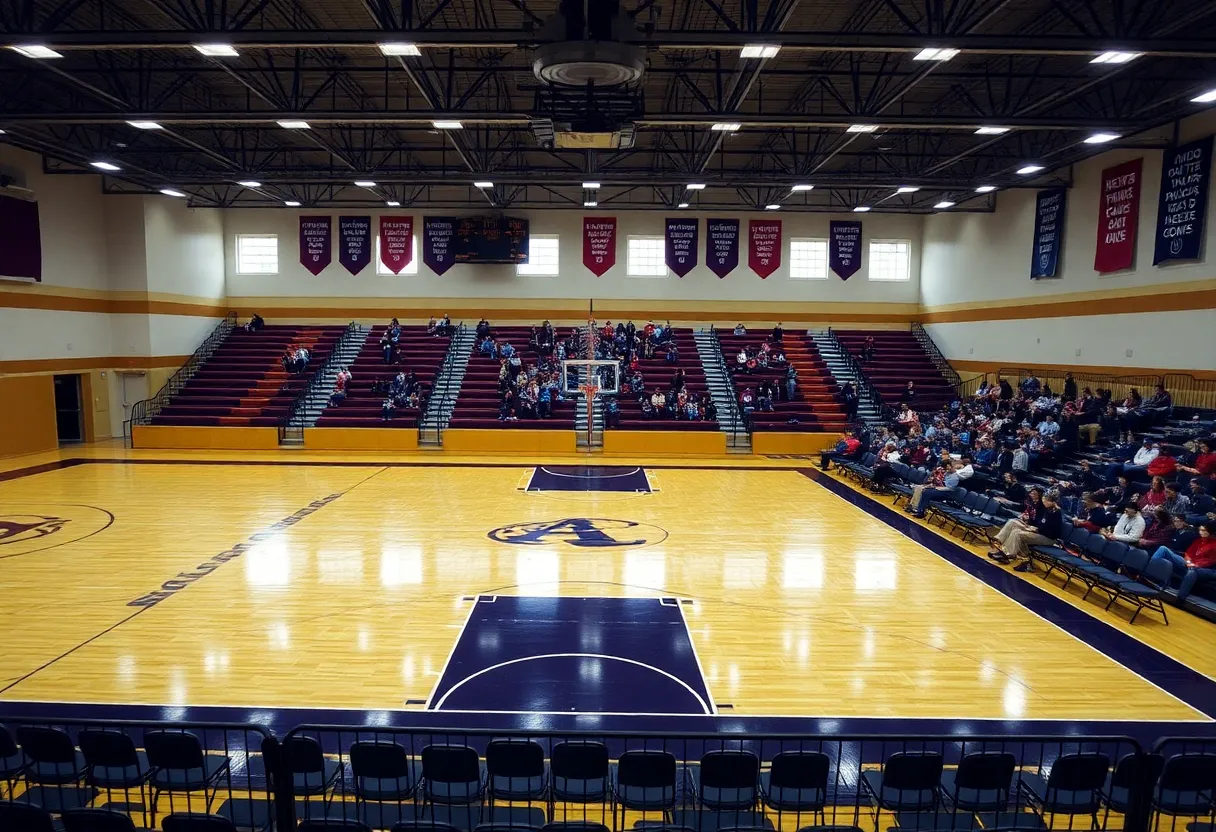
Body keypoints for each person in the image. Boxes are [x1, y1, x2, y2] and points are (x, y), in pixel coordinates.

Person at [989, 493, 1063, 571]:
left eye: (1045, 501)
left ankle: (1007, 555)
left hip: (1048, 538)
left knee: (1018, 533)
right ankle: (999, 544)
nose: (1043, 502)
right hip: (1039, 531)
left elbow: (1052, 532)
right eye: (1043, 500)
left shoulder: (1056, 513)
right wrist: (1030, 524)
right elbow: (1040, 523)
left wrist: (1036, 530)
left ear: (1052, 502)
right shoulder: (1048, 509)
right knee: (1014, 525)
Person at [1149, 521, 1216, 602]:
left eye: (1203, 530)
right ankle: (1148, 575)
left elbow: (1210, 561)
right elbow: (1188, 553)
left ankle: (1180, 599)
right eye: (1200, 530)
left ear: (1210, 532)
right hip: (1187, 562)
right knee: (1163, 549)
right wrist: (1188, 561)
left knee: (1192, 571)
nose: (1200, 532)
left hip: (1198, 567)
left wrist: (1195, 564)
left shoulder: (1214, 545)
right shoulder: (1198, 540)